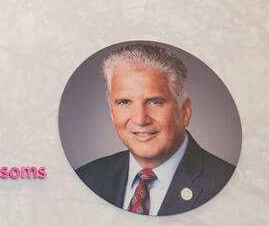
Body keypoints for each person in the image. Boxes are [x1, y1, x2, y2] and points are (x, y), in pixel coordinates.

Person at [75, 43, 235, 216]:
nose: (140, 119)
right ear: (112, 113)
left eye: (155, 102)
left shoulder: (228, 186)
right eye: (125, 102)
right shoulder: (87, 178)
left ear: (185, 112)